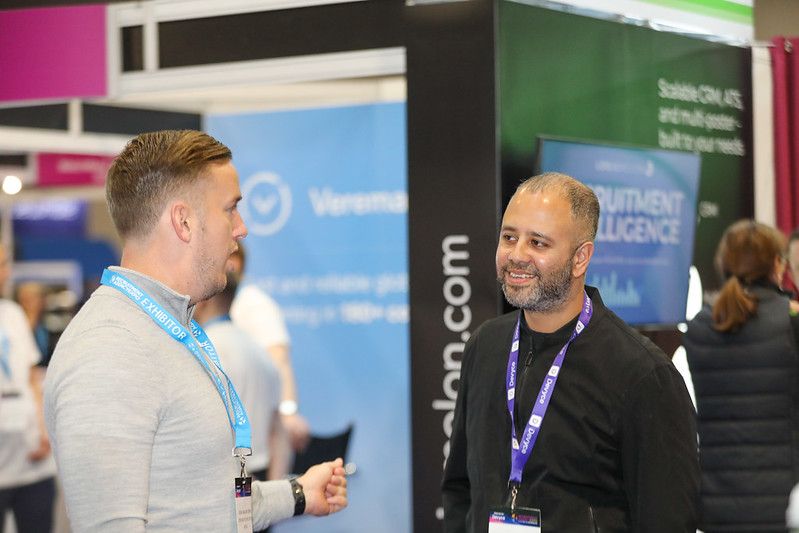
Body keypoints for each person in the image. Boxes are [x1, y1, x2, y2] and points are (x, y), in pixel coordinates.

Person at [43, 130, 346, 532]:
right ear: (183, 221)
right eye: (230, 209)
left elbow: (207, 501)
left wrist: (298, 492)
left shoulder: (167, 329)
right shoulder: (110, 350)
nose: (241, 228)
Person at [442, 172, 700, 532]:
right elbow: (459, 488)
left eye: (538, 243)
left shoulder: (642, 374)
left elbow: (667, 520)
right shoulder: (485, 346)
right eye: (509, 237)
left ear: (580, 258)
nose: (517, 255)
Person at [684, 220, 799, 532]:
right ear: (777, 265)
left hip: (717, 506)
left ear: (723, 264)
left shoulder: (699, 328)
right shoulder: (791, 322)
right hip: (782, 506)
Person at [194, 271, 290, 483]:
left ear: (203, 300)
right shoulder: (260, 350)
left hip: (222, 480)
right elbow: (279, 434)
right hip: (256, 477)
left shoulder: (203, 350)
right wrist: (271, 492)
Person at [228, 246, 311, 452]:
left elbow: (279, 360)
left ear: (237, 264)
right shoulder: (201, 303)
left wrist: (287, 412)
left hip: (254, 430)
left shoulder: (253, 303)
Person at [0, 246, 57, 533]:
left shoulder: (12, 314)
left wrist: (44, 429)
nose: (6, 273)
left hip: (31, 454)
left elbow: (31, 376)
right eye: (1, 265)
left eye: (6, 264)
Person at [15, 282, 52, 366]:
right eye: (26, 299)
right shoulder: (16, 327)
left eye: (33, 298)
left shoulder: (44, 326)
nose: (29, 303)